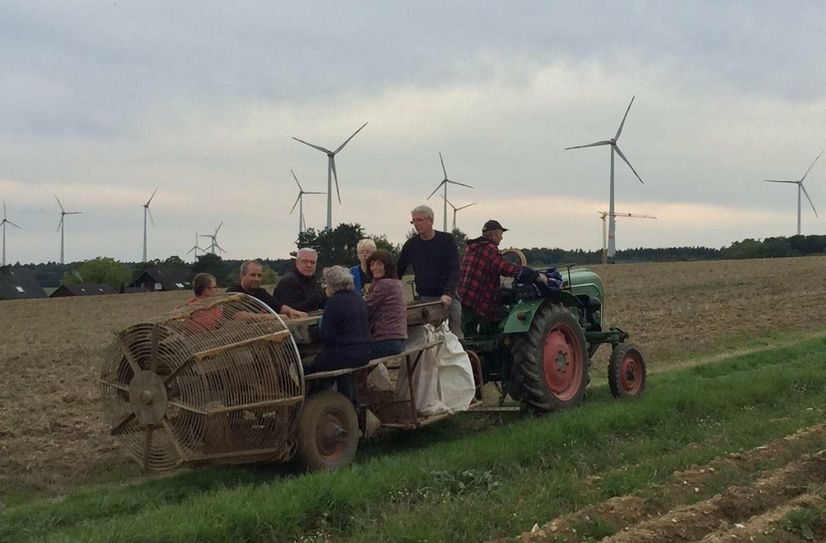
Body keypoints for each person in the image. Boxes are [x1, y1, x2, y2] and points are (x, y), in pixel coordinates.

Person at [458, 220, 547, 326]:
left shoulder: (472, 249)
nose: (501, 238)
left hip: (464, 298)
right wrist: (526, 272)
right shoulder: (489, 248)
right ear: (493, 235)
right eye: (500, 234)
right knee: (505, 318)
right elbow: (502, 267)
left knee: (469, 332)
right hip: (479, 301)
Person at [396, 205, 462, 337]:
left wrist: (448, 293)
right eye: (413, 221)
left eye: (419, 220)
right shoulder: (411, 245)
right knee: (428, 337)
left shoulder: (446, 240)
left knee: (456, 333)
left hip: (448, 296)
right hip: (426, 299)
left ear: (430, 221)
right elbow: (398, 270)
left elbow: (454, 268)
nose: (415, 224)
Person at [304, 266, 371, 374]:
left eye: (326, 283)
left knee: (302, 364)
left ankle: (304, 390)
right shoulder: (358, 298)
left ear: (331, 284)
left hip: (344, 355)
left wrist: (313, 332)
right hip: (364, 352)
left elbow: (327, 336)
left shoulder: (333, 302)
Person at [364, 250, 407, 358]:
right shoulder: (395, 283)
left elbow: (366, 308)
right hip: (399, 340)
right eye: (372, 264)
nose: (374, 268)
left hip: (386, 341)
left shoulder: (384, 284)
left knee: (350, 353)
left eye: (379, 264)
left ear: (387, 266)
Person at [226, 260, 306, 318]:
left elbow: (278, 306)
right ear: (242, 276)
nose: (257, 279)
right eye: (253, 275)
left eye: (259, 276)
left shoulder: (261, 293)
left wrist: (292, 312)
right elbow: (238, 315)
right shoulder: (232, 293)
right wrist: (272, 317)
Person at [273, 248, 326, 312]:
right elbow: (289, 309)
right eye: (305, 261)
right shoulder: (289, 281)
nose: (309, 265)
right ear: (296, 262)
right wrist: (316, 298)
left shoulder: (314, 280)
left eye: (312, 262)